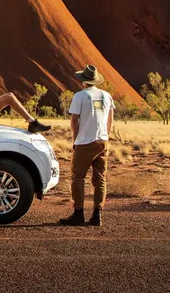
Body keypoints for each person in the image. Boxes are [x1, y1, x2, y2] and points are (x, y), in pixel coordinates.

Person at [59, 64, 115, 227]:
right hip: (102, 141)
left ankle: (78, 214)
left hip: (84, 142)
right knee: (100, 178)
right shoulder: (106, 96)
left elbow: (74, 120)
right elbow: (110, 119)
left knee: (77, 177)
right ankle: (97, 215)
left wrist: (75, 140)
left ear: (83, 81)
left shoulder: (80, 96)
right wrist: (106, 135)